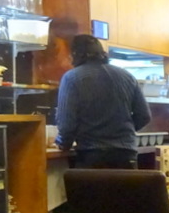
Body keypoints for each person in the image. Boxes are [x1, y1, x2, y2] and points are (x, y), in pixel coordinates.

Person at [55, 34, 151, 168]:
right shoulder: (127, 76)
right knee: (126, 183)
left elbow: (67, 124)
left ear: (75, 55)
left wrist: (63, 143)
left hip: (92, 155)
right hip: (126, 154)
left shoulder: (72, 78)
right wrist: (120, 130)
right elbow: (144, 116)